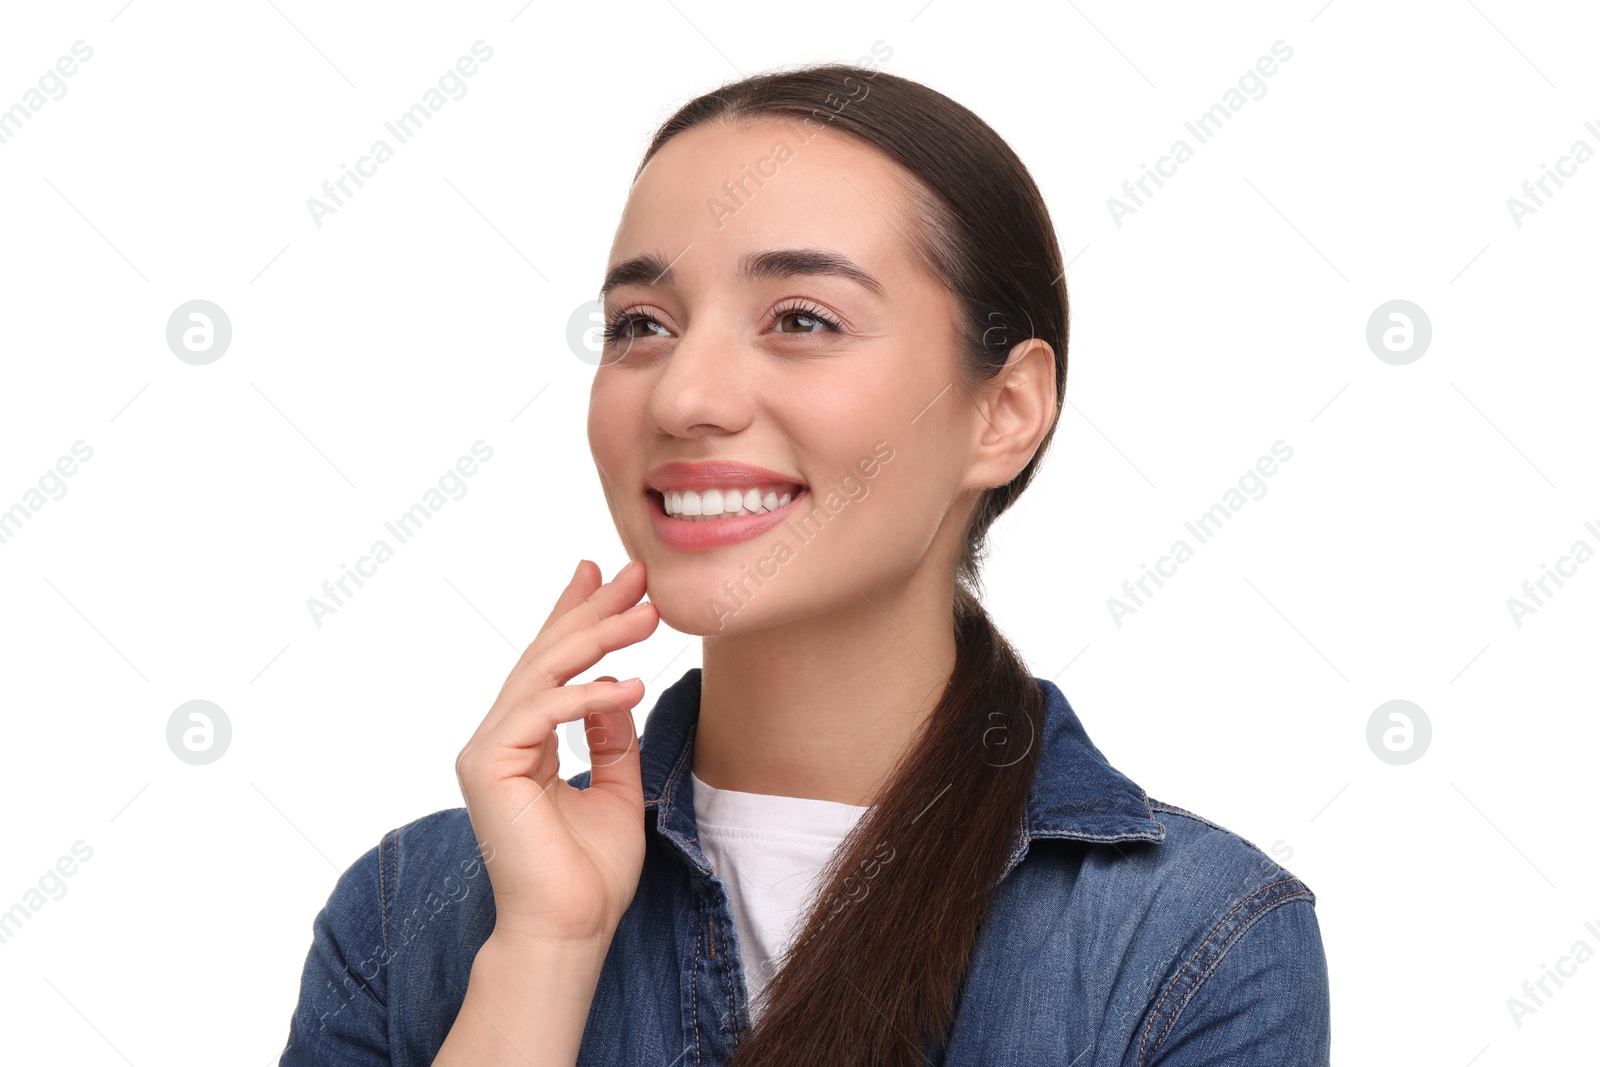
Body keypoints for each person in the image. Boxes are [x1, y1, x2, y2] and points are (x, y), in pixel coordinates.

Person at [278, 60, 1331, 1066]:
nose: (685, 395)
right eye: (640, 325)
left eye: (800, 319)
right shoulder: (406, 914)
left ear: (1002, 411)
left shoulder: (1195, 941)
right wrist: (542, 954)